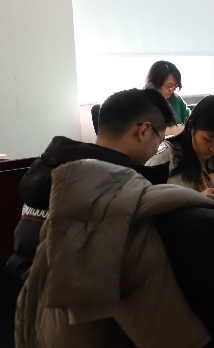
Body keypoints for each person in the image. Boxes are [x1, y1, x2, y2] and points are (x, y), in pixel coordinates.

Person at [8, 88, 175, 281]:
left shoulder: (51, 165)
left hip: (19, 285)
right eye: (160, 141)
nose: (156, 150)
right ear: (144, 130)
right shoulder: (119, 184)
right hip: (66, 295)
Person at [147, 95, 214, 201]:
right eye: (208, 139)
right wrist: (195, 200)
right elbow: (146, 204)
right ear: (190, 126)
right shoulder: (164, 156)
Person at [145, 60, 189, 132]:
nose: (172, 90)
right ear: (156, 83)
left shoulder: (176, 100)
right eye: (168, 86)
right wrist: (171, 130)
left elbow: (191, 120)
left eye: (175, 86)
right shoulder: (144, 103)